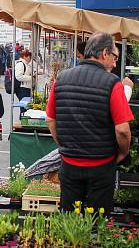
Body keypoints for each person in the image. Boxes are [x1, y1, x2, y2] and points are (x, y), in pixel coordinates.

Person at [46, 32, 132, 213]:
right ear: (105, 53)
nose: (116, 62)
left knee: (69, 222)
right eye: (115, 56)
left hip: (69, 164)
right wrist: (124, 152)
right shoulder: (112, 83)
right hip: (101, 165)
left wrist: (63, 144)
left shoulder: (62, 78)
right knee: (97, 223)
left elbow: (50, 119)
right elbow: (123, 130)